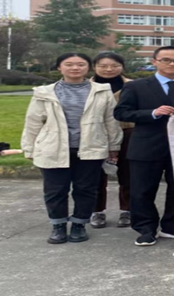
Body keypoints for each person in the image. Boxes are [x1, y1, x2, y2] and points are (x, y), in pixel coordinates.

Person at [21, 53, 122, 244]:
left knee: (86, 189)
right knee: (55, 190)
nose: (75, 68)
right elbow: (33, 121)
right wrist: (29, 148)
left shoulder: (101, 91)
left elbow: (111, 121)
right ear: (59, 67)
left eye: (80, 64)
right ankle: (58, 226)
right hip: (53, 147)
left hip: (91, 147)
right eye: (69, 64)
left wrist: (114, 146)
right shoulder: (44, 92)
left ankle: (79, 225)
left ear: (88, 67)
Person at [114, 46, 174, 247]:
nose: (172, 64)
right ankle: (145, 228)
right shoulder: (136, 86)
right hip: (146, 145)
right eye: (166, 60)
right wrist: (152, 113)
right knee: (142, 190)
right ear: (154, 61)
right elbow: (121, 113)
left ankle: (171, 227)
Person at [90, 52, 134, 229]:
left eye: (115, 65)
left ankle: (128, 210)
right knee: (95, 175)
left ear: (122, 66)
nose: (109, 69)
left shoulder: (134, 85)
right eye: (103, 66)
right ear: (94, 67)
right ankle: (96, 210)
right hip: (95, 133)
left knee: (129, 174)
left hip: (128, 131)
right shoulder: (86, 86)